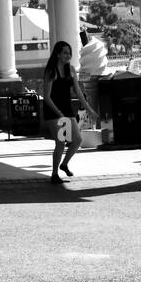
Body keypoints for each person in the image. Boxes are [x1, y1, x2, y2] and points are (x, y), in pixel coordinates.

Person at [42, 40, 98, 184]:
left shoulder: (71, 70)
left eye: (70, 53)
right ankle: (54, 174)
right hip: (53, 111)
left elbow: (78, 93)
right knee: (60, 142)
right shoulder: (51, 71)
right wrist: (59, 114)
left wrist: (90, 110)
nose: (68, 55)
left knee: (77, 140)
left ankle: (64, 164)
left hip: (67, 109)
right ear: (58, 54)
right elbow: (47, 97)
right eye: (65, 53)